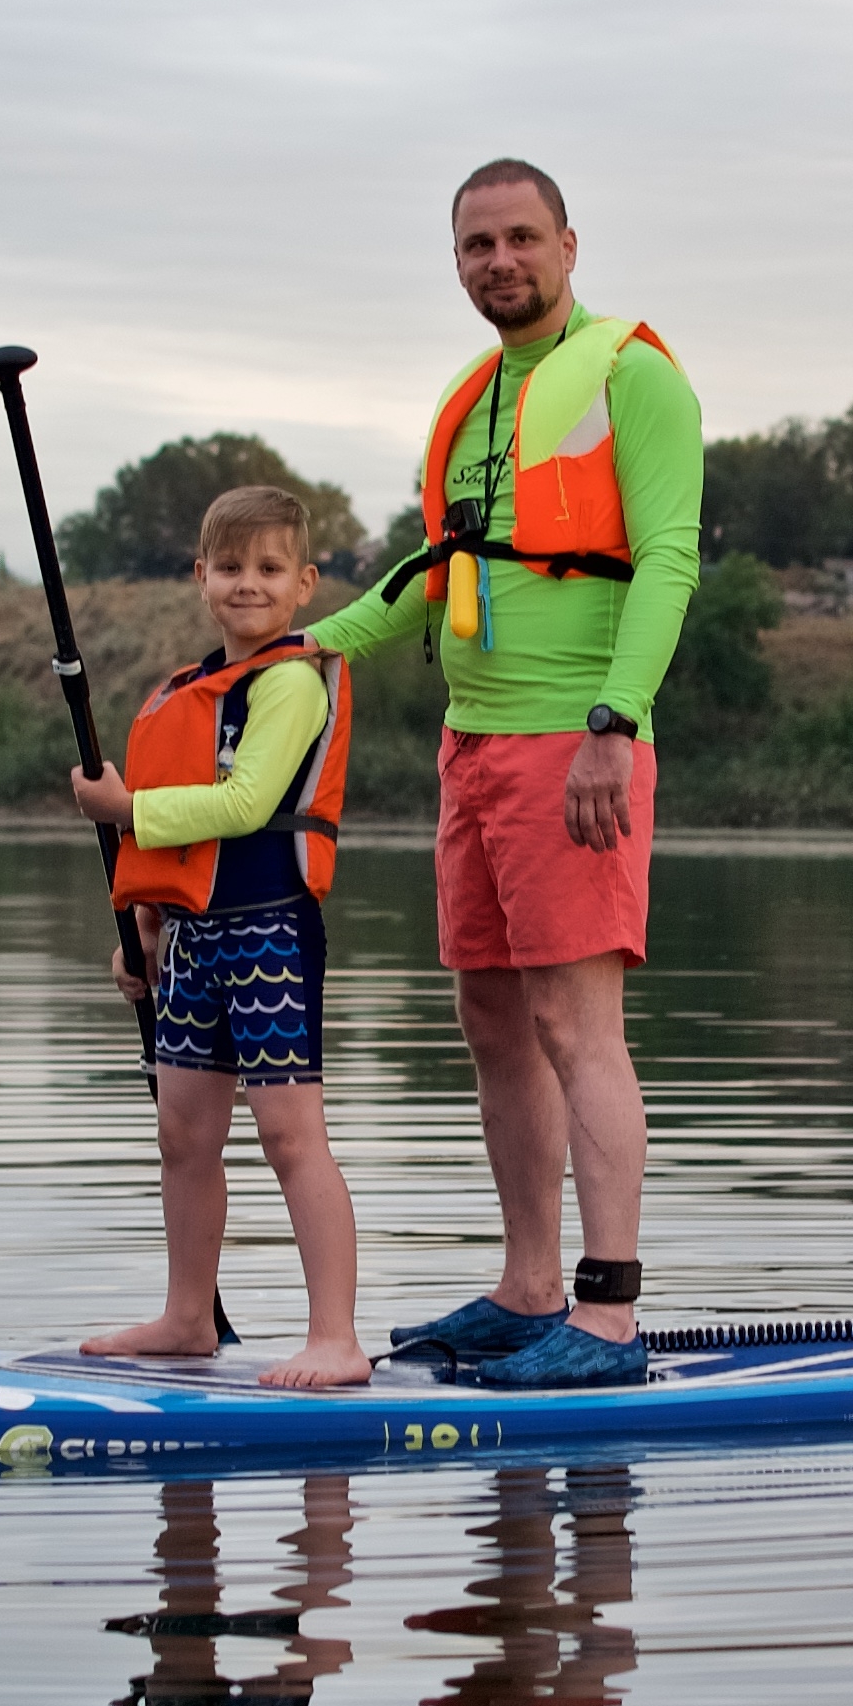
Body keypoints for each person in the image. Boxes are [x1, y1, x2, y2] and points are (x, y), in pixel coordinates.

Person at [303, 157, 703, 1392]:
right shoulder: (476, 397)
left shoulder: (632, 375)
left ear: (569, 245)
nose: (500, 263)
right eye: (477, 245)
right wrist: (293, 648)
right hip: (470, 747)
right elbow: (435, 568)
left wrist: (613, 722)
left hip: (572, 742)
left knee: (576, 1026)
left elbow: (670, 560)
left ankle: (609, 1317)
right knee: (492, 1023)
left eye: (521, 239)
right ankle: (529, 1289)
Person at [64, 483, 379, 1390]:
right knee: (181, 1133)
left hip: (271, 932)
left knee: (290, 1136)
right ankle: (187, 1317)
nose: (249, 584)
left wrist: (126, 807)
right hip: (196, 939)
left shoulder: (288, 683)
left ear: (305, 584)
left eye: (269, 568)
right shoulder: (190, 691)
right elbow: (180, 845)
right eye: (230, 567)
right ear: (201, 577)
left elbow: (242, 807)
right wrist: (147, 932)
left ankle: (335, 1338)